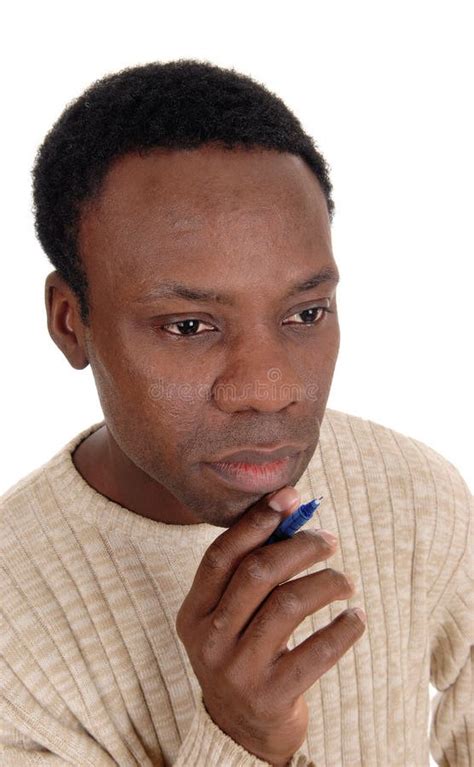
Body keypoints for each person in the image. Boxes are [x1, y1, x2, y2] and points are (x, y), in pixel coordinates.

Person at [0, 60, 471, 767]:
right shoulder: (12, 639)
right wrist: (241, 740)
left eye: (306, 312)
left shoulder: (414, 493)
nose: (270, 387)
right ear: (71, 323)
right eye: (189, 326)